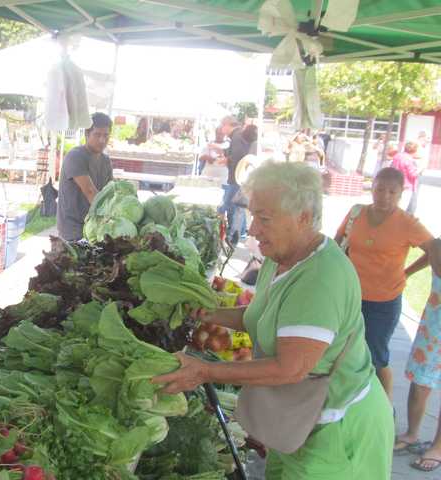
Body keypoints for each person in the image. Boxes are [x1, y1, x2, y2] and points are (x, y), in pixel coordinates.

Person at [153, 162, 393, 479]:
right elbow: (263, 316)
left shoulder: (320, 278)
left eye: (264, 219)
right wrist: (208, 313)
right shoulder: (281, 256)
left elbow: (291, 367)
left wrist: (205, 371)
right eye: (253, 215)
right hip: (296, 423)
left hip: (338, 431)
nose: (252, 229)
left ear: (303, 218)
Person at [334, 167, 434, 404]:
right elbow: (336, 243)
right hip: (350, 296)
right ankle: (351, 401)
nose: (384, 196)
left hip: (383, 302)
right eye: (379, 189)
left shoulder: (407, 223)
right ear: (372, 188)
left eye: (392, 192)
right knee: (344, 351)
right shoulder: (356, 213)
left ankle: (385, 408)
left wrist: (407, 272)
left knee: (376, 357)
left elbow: (434, 250)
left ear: (401, 193)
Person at [394, 239, 441, 471]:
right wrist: (407, 272)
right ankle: (412, 434)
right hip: (435, 319)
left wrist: (435, 249)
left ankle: (438, 447)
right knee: (420, 379)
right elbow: (434, 251)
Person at [57, 112, 113, 241]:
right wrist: (112, 216)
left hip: (94, 228)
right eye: (97, 135)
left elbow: (110, 192)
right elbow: (90, 192)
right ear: (87, 134)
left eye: (106, 135)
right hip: (72, 229)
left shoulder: (105, 160)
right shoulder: (75, 156)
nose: (102, 140)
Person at [218, 116, 251, 244]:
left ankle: (233, 237)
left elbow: (239, 156)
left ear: (227, 124)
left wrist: (227, 159)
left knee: (232, 207)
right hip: (239, 178)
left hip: (237, 178)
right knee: (238, 207)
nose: (221, 129)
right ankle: (240, 233)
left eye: (222, 125)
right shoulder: (238, 135)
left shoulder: (237, 136)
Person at [391, 141, 421, 214]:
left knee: (395, 205)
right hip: (407, 185)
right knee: (402, 207)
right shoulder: (409, 159)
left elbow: (391, 167)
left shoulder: (397, 156)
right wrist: (420, 170)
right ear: (414, 150)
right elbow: (413, 175)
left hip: (396, 183)